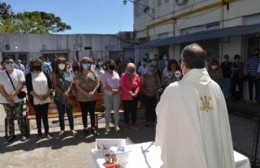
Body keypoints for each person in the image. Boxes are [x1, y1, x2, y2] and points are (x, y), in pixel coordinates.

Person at [155, 43, 235, 168]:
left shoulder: (174, 90)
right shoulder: (216, 87)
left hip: (187, 158)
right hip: (215, 156)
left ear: (183, 63)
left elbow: (163, 120)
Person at [0, 56, 27, 142]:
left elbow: (21, 84)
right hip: (5, 101)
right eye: (7, 62)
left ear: (14, 63)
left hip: (18, 100)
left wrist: (12, 96)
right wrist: (8, 99)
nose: (9, 64)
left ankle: (23, 134)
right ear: (4, 64)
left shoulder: (19, 72)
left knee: (20, 117)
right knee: (9, 117)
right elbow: (1, 88)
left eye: (11, 62)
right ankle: (11, 134)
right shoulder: (1, 74)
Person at [25, 58, 53, 139]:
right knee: (38, 117)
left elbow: (50, 86)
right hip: (35, 99)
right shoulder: (29, 75)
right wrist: (38, 97)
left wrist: (46, 95)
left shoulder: (45, 74)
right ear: (31, 66)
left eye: (38, 64)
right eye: (35, 64)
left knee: (45, 117)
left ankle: (47, 132)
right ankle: (39, 133)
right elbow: (29, 89)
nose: (37, 66)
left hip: (46, 99)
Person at [74, 56, 100, 136]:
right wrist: (85, 93)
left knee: (92, 113)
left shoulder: (93, 72)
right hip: (82, 97)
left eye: (88, 63)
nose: (86, 64)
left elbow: (98, 83)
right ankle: (85, 128)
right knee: (84, 113)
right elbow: (77, 86)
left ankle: (92, 128)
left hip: (93, 96)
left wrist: (93, 92)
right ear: (81, 64)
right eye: (84, 62)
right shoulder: (78, 74)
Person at [52, 57, 77, 137]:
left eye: (63, 62)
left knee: (70, 114)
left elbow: (72, 82)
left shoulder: (68, 71)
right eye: (59, 62)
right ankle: (62, 129)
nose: (61, 64)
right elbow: (55, 86)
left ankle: (72, 129)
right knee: (61, 114)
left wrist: (68, 91)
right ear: (57, 64)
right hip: (59, 97)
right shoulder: (54, 74)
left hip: (68, 96)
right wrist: (63, 93)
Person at [101, 59, 121, 133]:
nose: (112, 64)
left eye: (113, 63)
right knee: (108, 111)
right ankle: (107, 125)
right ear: (106, 65)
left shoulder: (116, 73)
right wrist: (112, 90)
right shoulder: (104, 74)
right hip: (108, 95)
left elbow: (119, 82)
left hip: (117, 94)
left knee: (116, 110)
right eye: (110, 63)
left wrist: (118, 90)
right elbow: (104, 85)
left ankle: (116, 124)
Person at [120, 63, 141, 130]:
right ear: (126, 68)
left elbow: (138, 85)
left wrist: (136, 92)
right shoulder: (123, 75)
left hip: (134, 96)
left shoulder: (137, 76)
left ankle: (133, 123)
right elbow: (122, 85)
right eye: (129, 68)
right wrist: (130, 92)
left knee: (134, 111)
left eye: (132, 68)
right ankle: (126, 124)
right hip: (126, 96)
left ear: (134, 69)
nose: (131, 70)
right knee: (126, 111)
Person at [140, 61, 161, 127]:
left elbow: (159, 84)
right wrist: (147, 93)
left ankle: (153, 121)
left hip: (154, 94)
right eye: (151, 66)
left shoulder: (156, 75)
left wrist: (155, 91)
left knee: (154, 108)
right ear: (148, 66)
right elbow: (142, 85)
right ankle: (147, 121)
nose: (152, 68)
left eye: (154, 66)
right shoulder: (144, 75)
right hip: (146, 94)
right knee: (147, 108)